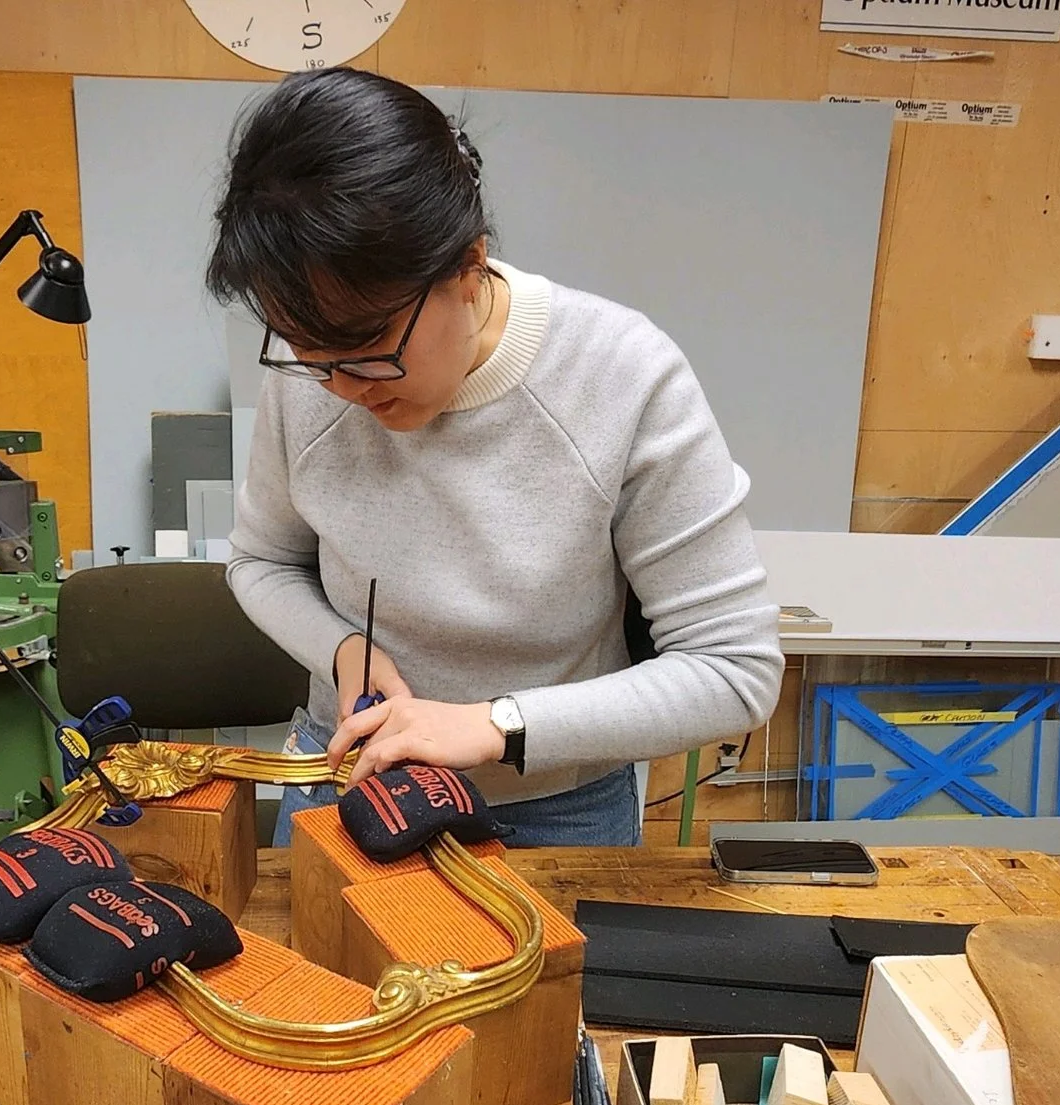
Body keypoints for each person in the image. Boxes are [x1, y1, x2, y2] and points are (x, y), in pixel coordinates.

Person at [209, 68, 783, 847]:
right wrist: (342, 650)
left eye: (370, 346)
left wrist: (496, 726)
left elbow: (733, 668)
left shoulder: (622, 376)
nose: (342, 388)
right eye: (310, 353)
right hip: (348, 779)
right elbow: (261, 562)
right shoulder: (313, 374)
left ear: (468, 267)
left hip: (553, 810)